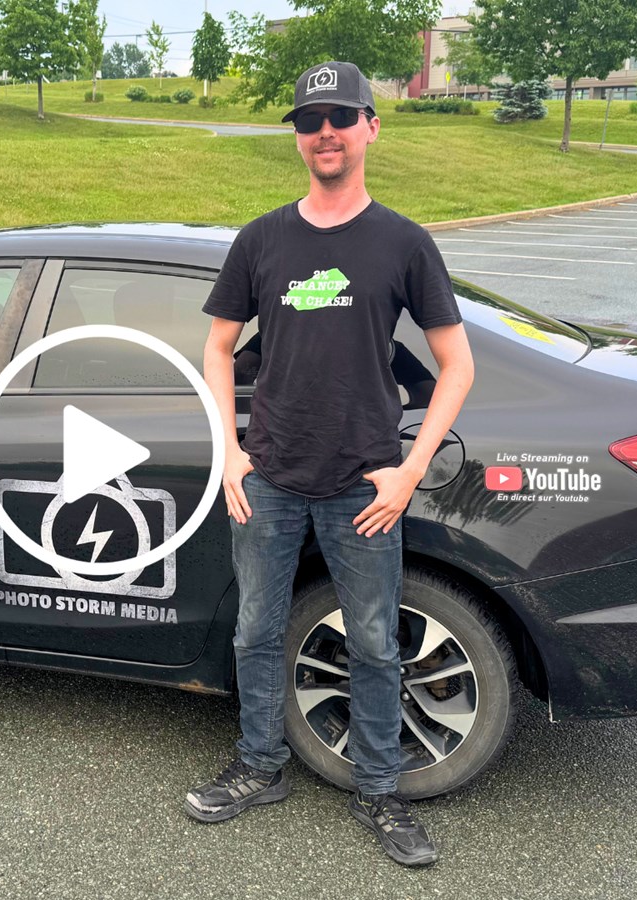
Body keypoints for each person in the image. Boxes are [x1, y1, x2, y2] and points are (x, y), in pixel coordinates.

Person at [188, 60, 475, 869]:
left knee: (378, 644)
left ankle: (380, 791)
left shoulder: (403, 244)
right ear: (298, 137)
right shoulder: (262, 240)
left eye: (341, 118)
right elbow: (215, 349)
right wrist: (230, 453)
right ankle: (259, 765)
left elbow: (456, 365)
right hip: (270, 480)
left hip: (363, 487)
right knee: (254, 631)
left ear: (371, 128)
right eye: (311, 120)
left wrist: (410, 470)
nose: (325, 133)